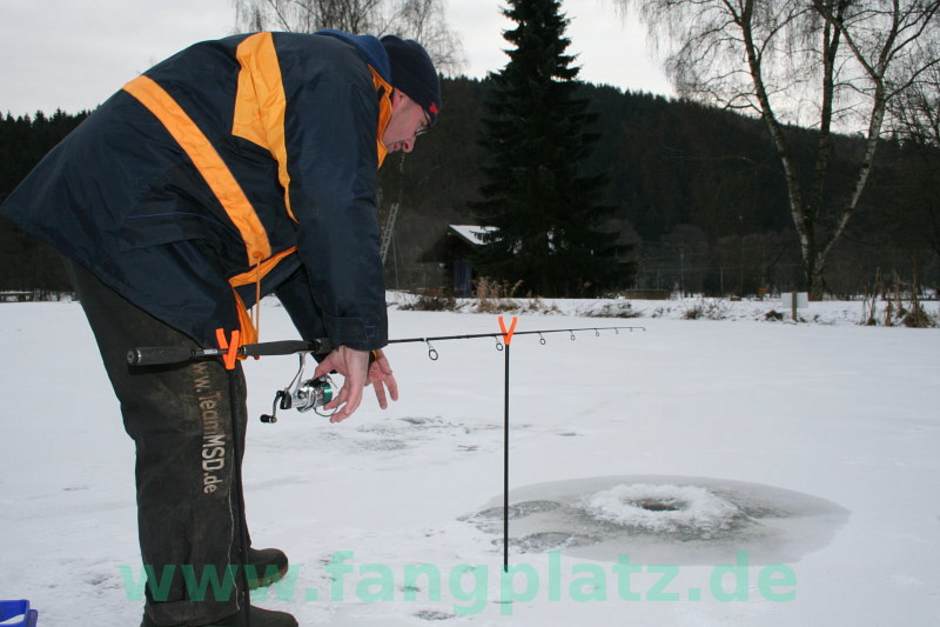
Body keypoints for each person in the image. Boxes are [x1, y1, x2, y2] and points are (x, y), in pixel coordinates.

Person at [0, 29, 441, 627]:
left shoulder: (318, 91)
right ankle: (196, 612)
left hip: (161, 231)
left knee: (220, 392)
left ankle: (219, 561)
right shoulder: (342, 78)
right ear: (401, 94)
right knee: (190, 414)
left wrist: (342, 336)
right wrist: (358, 331)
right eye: (424, 123)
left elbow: (300, 243)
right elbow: (337, 204)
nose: (414, 143)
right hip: (137, 224)